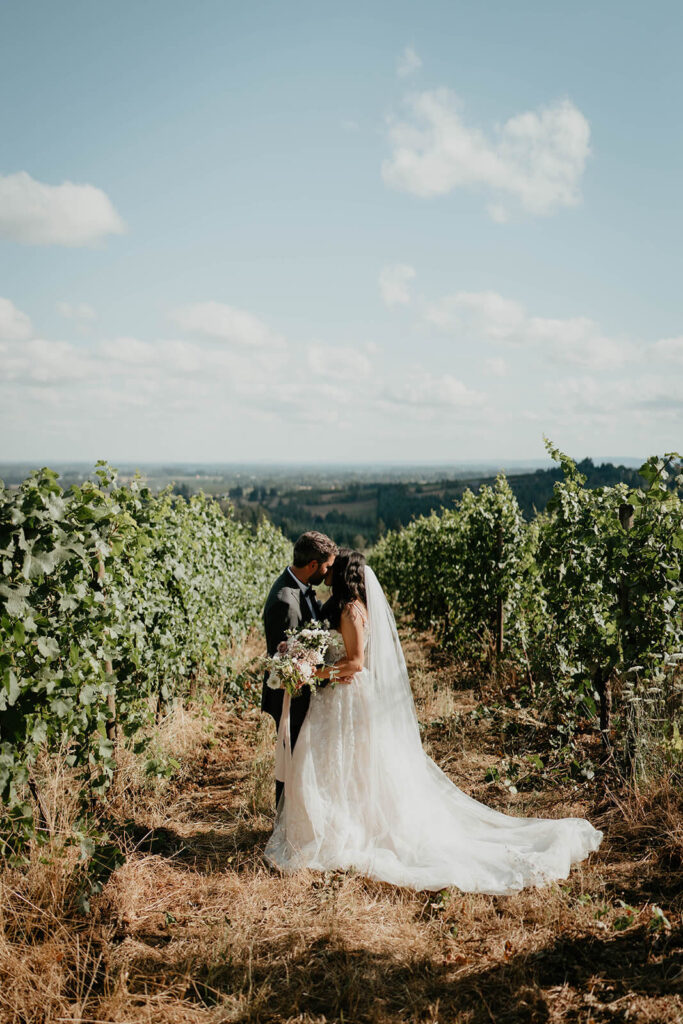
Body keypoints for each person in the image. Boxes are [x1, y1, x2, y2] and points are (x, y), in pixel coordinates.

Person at [264, 548, 603, 894]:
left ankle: (353, 828)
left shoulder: (351, 610)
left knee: (348, 762)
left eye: (334, 567)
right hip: (340, 698)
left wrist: (316, 671)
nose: (328, 571)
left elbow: (356, 664)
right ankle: (344, 822)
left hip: (347, 697)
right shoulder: (348, 607)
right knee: (347, 765)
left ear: (344, 573)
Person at [262, 530, 339, 807]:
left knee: (300, 759)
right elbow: (285, 662)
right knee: (291, 759)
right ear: (313, 566)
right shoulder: (286, 599)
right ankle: (285, 823)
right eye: (327, 567)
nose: (329, 573)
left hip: (303, 691)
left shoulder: (300, 590)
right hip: (291, 696)